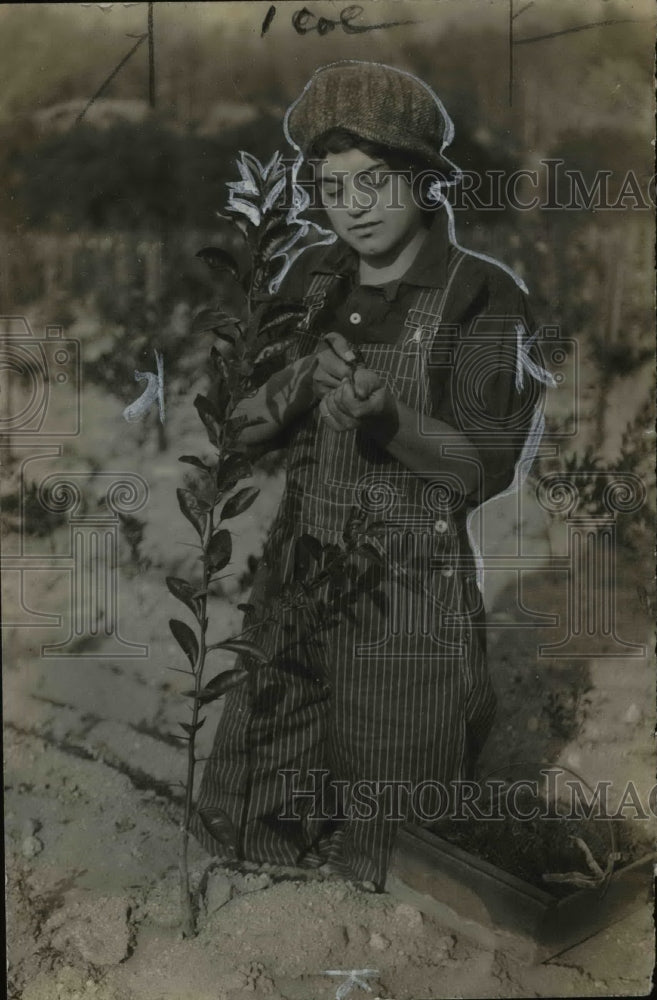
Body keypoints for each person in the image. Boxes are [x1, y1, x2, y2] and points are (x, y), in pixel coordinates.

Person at [192, 61, 545, 891]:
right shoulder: (308, 278)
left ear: (427, 183)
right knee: (243, 817)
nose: (351, 207)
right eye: (331, 185)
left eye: (375, 182)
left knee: (396, 851)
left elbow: (480, 470)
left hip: (407, 597)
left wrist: (389, 421)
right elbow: (233, 429)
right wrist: (295, 383)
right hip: (297, 576)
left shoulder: (481, 295)